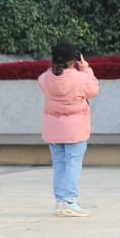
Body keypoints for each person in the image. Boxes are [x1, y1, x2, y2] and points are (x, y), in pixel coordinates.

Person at [38, 40, 100, 216]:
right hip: (75, 129)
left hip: (53, 128)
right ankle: (70, 201)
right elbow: (94, 89)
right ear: (74, 59)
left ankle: (59, 201)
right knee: (73, 163)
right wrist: (86, 67)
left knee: (59, 164)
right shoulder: (81, 78)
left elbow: (49, 81)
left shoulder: (44, 79)